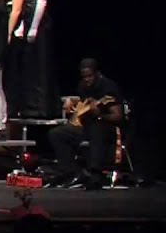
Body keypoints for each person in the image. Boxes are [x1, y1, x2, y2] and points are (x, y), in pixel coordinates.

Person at [48, 60, 124, 189]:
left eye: (90, 76)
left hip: (106, 127)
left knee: (96, 129)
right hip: (86, 127)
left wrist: (99, 115)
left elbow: (118, 117)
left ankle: (95, 175)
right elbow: (83, 102)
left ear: (98, 74)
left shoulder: (109, 87)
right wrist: (70, 101)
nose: (87, 80)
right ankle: (70, 172)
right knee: (57, 133)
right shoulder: (83, 86)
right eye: (84, 77)